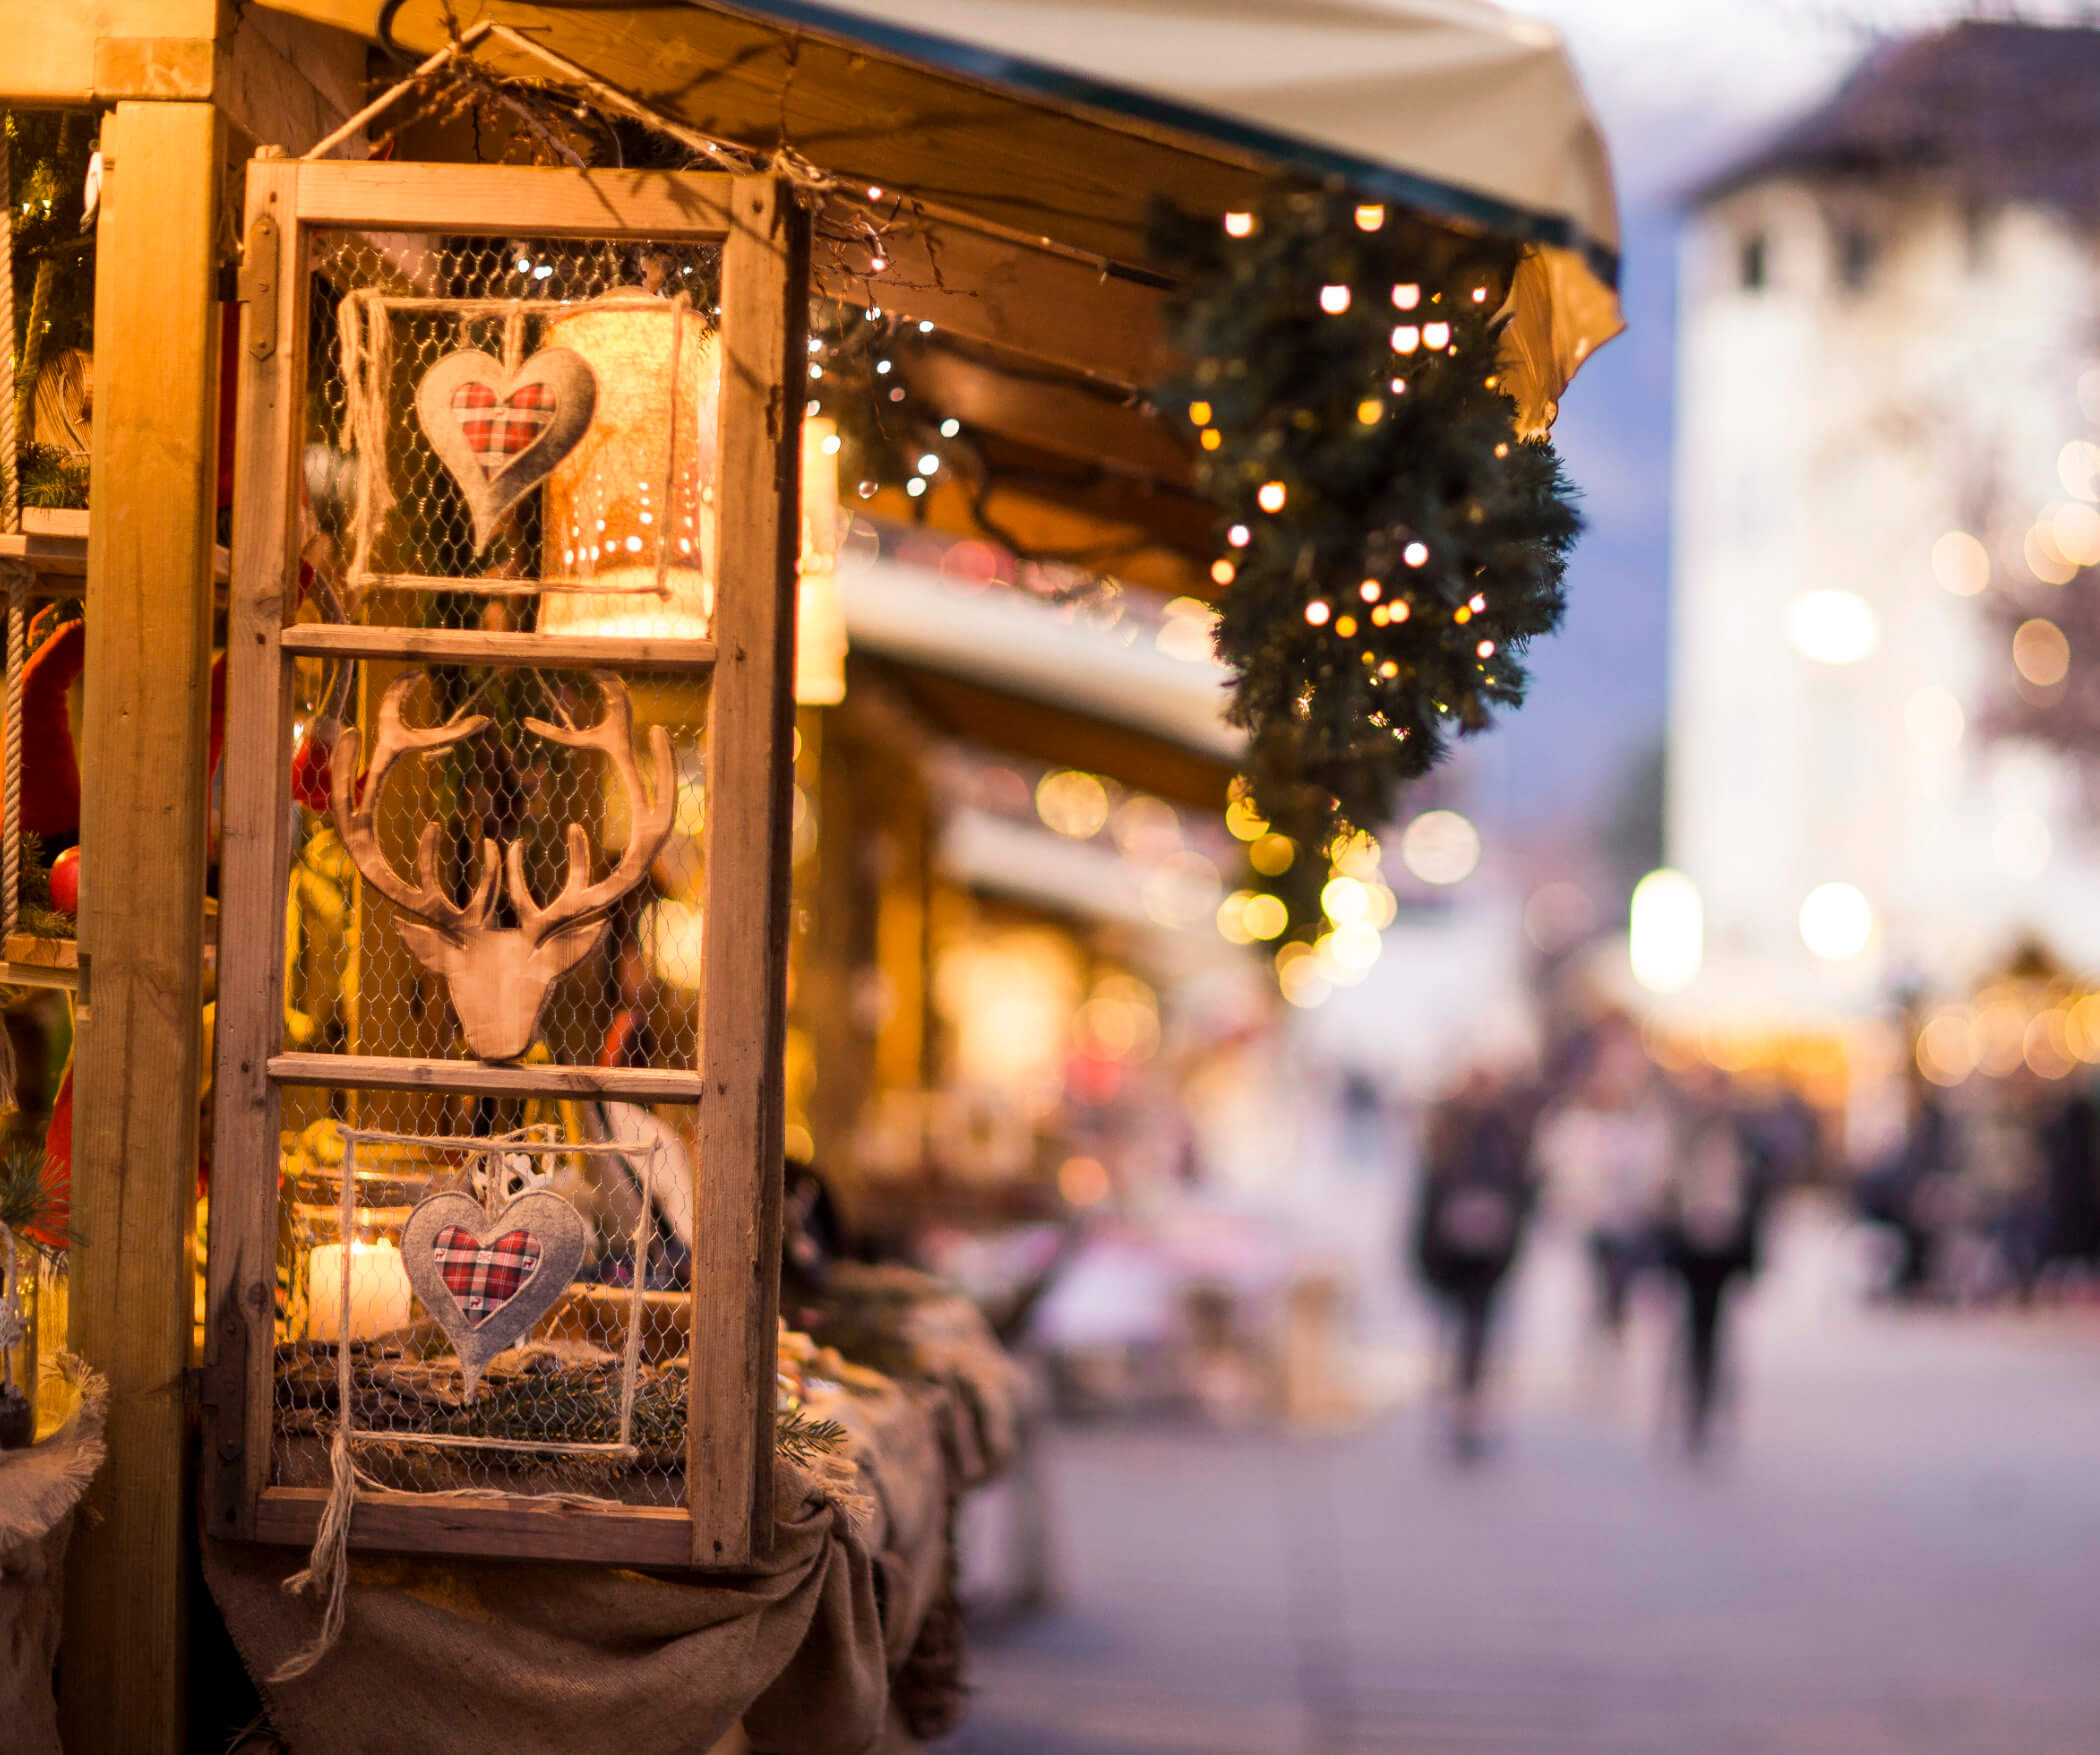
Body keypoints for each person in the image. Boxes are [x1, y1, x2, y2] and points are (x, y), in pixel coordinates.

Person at [1412, 1066, 1537, 1461]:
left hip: (1490, 1251)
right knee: (1458, 1329)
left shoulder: (1506, 1133)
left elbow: (1521, 1189)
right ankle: (1458, 1401)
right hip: (1452, 1249)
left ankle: (1469, 1407)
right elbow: (1430, 1191)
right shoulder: (1448, 1130)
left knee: (1478, 1330)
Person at [1656, 1074, 1772, 1453]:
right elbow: (1668, 1188)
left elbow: (1756, 1192)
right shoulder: (1685, 1133)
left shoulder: (1742, 1136)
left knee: (1715, 1326)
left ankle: (1709, 1400)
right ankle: (1695, 1401)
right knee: (1695, 1325)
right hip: (1691, 1244)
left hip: (1725, 1245)